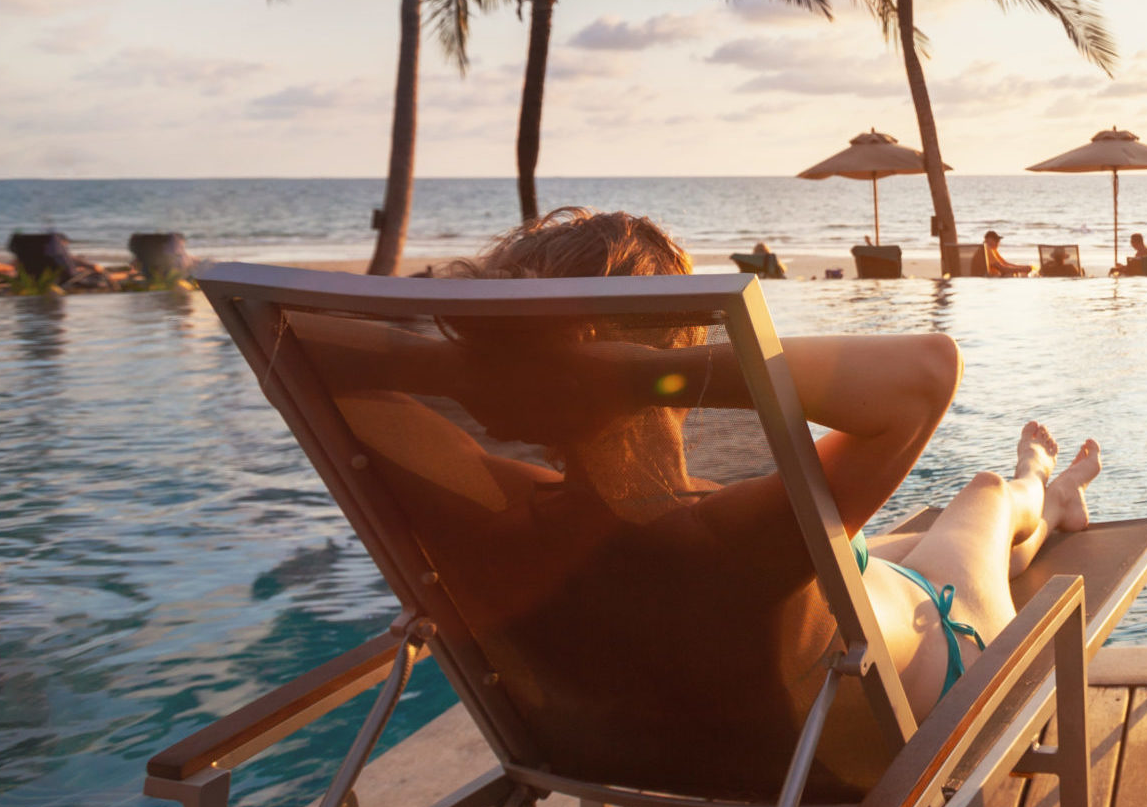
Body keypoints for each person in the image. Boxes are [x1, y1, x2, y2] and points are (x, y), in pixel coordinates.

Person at [333, 209, 1098, 732]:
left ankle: (1054, 502)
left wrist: (491, 365)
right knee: (985, 495)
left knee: (906, 539)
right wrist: (635, 374)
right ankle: (1044, 481)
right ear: (677, 345)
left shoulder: (505, 507)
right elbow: (930, 369)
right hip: (947, 651)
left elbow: (308, 352)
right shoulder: (736, 537)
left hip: (836, 604)